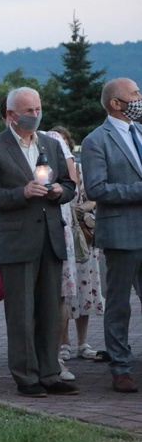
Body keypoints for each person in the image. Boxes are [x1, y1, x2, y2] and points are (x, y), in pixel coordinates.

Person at [0, 87, 78, 398]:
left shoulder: (51, 143)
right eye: (28, 111)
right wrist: (22, 193)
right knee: (22, 314)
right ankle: (26, 376)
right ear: (11, 114)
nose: (35, 115)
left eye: (38, 109)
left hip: (50, 237)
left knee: (50, 311)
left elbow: (69, 183)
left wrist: (61, 191)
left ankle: (50, 372)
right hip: (18, 241)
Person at [81, 77, 142, 393]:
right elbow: (96, 189)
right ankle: (120, 368)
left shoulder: (140, 131)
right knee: (119, 305)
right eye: (134, 94)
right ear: (116, 104)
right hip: (120, 233)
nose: (140, 98)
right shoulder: (96, 140)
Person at [53, 126, 104, 361]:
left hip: (83, 237)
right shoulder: (47, 173)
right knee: (64, 292)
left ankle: (83, 342)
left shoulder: (81, 170)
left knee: (85, 290)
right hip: (61, 236)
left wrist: (79, 207)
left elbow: (94, 197)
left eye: (64, 142)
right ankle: (63, 343)